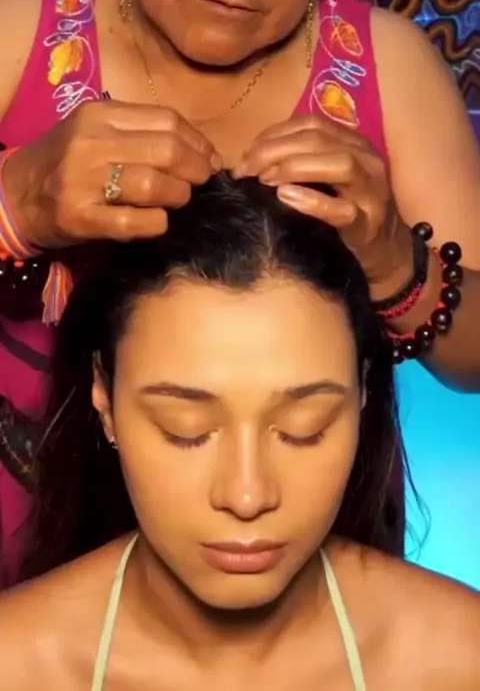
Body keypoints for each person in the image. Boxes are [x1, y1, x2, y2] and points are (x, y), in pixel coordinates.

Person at [1, 0, 480, 588]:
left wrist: (397, 264)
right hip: (30, 554)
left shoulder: (390, 69)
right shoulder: (15, 34)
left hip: (308, 575)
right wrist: (17, 206)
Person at [1, 174, 479, 690]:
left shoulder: (459, 659)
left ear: (363, 395)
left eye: (305, 429)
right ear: (104, 399)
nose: (247, 496)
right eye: (184, 431)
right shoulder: (18, 663)